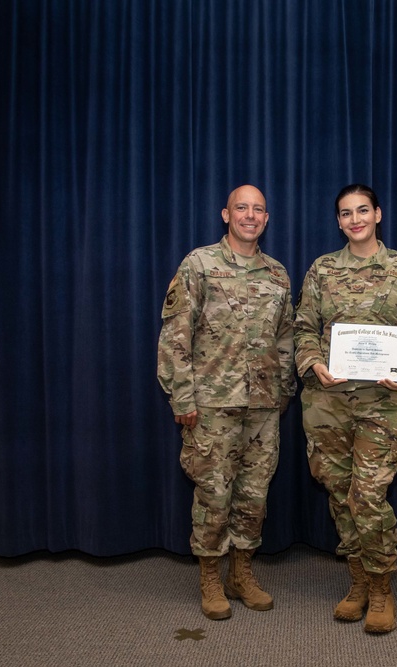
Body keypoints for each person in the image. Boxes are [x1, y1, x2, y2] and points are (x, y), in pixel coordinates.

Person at [294, 184, 397, 633]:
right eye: (345, 213)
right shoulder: (321, 270)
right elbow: (302, 328)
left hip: (383, 403)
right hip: (328, 403)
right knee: (340, 494)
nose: (355, 219)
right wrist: (314, 362)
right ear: (338, 221)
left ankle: (380, 588)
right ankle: (356, 581)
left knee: (368, 495)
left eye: (362, 211)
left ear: (378, 214)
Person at [157, 184, 295, 621]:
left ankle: (243, 573)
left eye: (258, 209)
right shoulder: (199, 264)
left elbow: (287, 337)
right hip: (212, 404)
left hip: (263, 406)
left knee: (254, 494)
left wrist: (285, 390)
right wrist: (182, 395)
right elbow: (176, 334)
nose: (250, 216)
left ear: (267, 218)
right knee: (214, 494)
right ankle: (211, 577)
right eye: (242, 208)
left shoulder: (277, 273)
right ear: (226, 214)